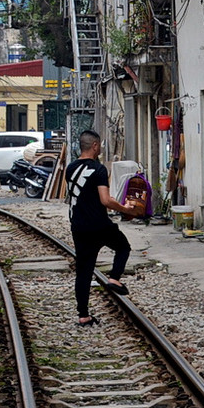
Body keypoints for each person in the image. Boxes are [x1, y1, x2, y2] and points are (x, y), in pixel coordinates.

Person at [66, 130, 138, 325]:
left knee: (84, 271)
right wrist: (124, 208)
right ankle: (114, 278)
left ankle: (83, 316)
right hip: (99, 225)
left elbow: (87, 196)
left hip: (78, 226)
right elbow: (104, 200)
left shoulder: (70, 168)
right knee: (123, 247)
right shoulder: (98, 169)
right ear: (95, 146)